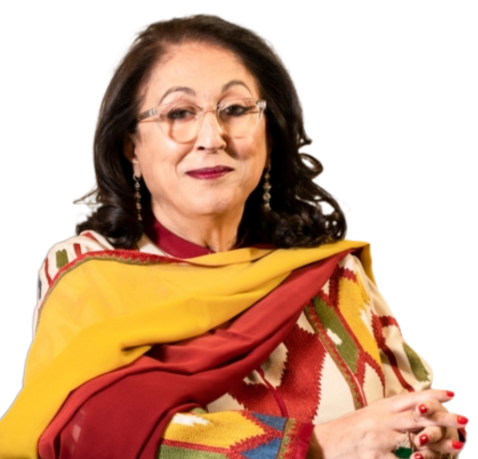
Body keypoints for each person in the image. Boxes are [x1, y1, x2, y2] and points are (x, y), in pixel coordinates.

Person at [0, 12, 469, 459]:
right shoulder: (87, 274)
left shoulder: (331, 274)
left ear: (270, 134)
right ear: (131, 146)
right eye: (179, 113)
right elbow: (84, 435)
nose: (212, 137)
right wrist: (314, 446)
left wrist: (428, 434)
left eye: (236, 109)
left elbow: (408, 417)